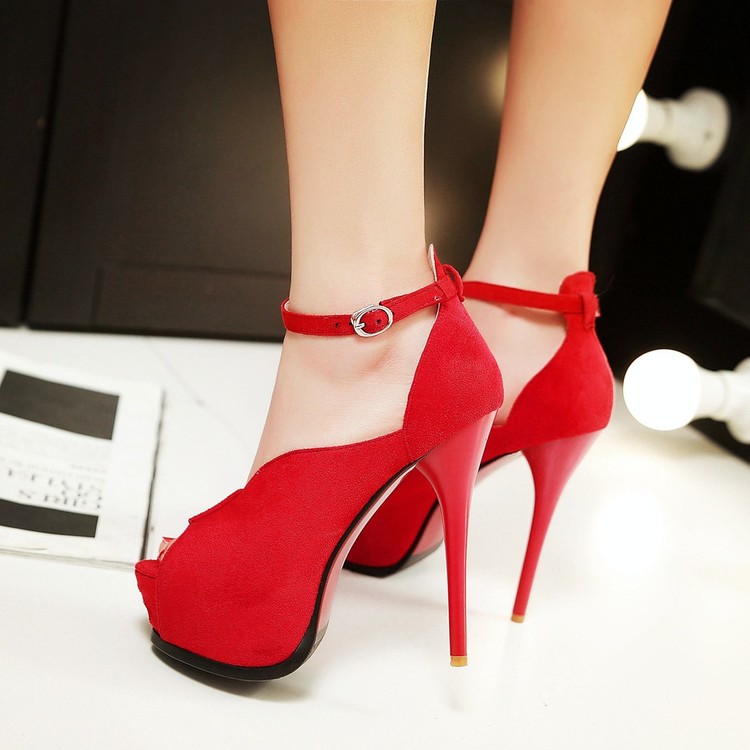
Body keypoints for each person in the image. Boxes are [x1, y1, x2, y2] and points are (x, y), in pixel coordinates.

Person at [135, 0, 672, 680]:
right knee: (528, 280)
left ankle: (366, 343)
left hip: (393, 349)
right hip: (543, 340)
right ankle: (529, 313)